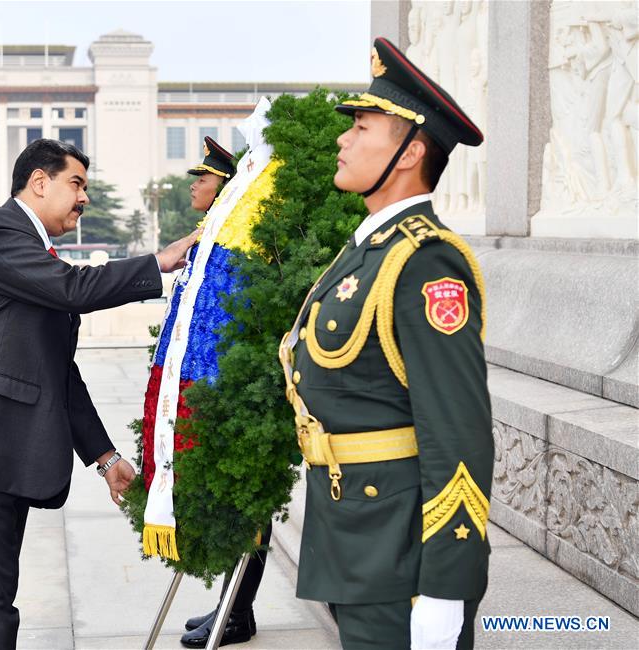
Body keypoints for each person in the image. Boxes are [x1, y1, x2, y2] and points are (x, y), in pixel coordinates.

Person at [0, 138, 197, 649]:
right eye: (76, 184)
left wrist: (106, 459)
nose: (85, 198)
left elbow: (58, 371)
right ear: (39, 182)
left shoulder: (30, 251)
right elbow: (73, 289)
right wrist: (160, 262)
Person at [278, 37, 493, 650]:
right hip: (356, 533)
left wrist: (447, 589)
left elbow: (459, 433)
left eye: (363, 127)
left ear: (410, 151)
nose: (343, 139)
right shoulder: (371, 249)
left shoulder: (427, 263)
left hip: (398, 553)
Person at [178, 136, 269, 649]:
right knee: (237, 504)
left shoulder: (238, 237)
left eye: (205, 178)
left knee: (248, 505)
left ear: (227, 188)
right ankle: (234, 606)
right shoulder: (211, 231)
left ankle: (237, 612)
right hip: (212, 386)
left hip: (230, 388)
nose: (196, 184)